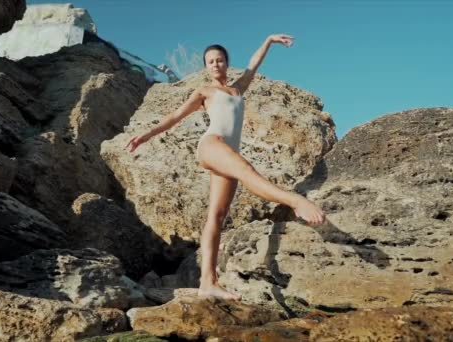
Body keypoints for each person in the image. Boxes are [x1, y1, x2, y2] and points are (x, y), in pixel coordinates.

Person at [126, 34, 325, 301]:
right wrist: (146, 135)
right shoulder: (204, 92)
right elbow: (174, 116)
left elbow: (253, 66)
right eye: (210, 62)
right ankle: (295, 200)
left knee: (216, 218)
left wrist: (268, 40)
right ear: (206, 67)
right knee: (247, 171)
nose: (215, 65)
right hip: (211, 144)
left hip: (227, 152)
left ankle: (208, 282)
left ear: (227, 63)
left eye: (219, 60)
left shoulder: (238, 89)